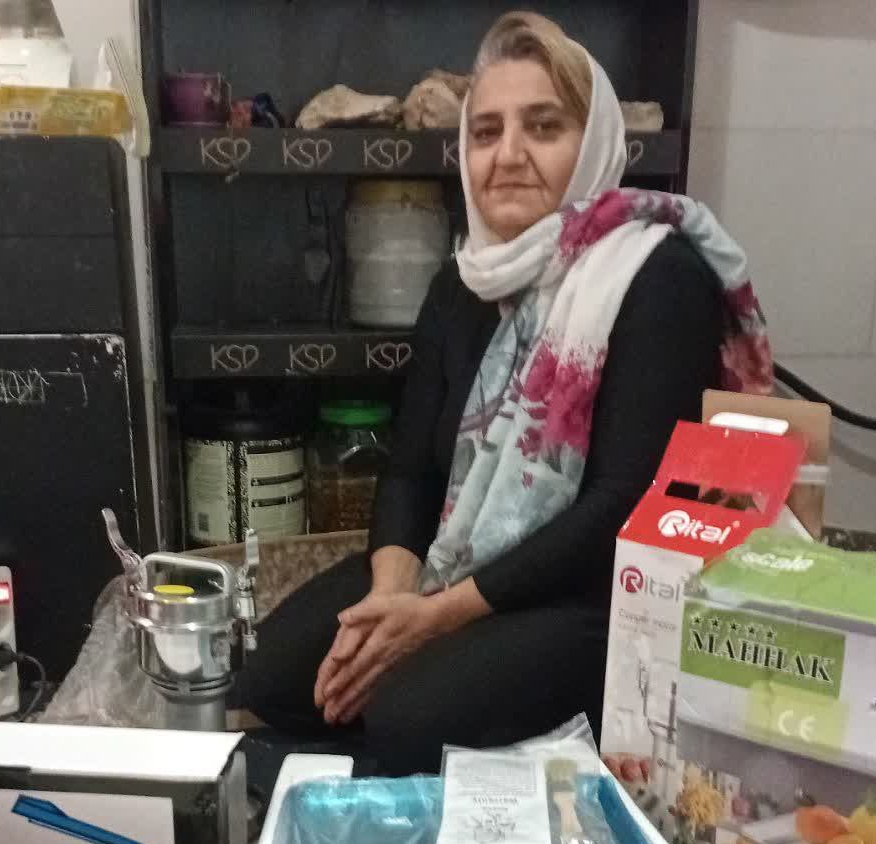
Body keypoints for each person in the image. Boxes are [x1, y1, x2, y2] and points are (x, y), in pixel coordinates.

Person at [232, 11, 772, 774]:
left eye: (543, 127)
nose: (509, 155)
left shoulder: (657, 278)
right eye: (486, 133)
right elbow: (410, 469)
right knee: (270, 676)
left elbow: (621, 506)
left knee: (402, 716)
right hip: (454, 559)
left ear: (594, 141)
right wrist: (393, 599)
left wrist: (436, 619)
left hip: (591, 597)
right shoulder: (463, 284)